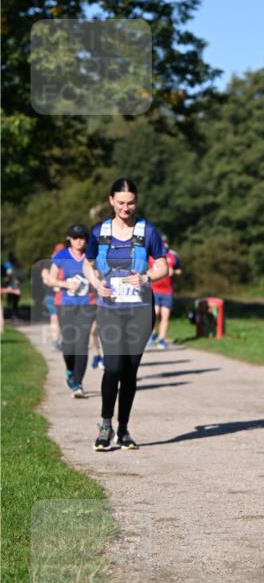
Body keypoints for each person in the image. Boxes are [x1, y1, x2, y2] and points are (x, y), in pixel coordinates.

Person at [83, 178, 168, 451]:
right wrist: (96, 284)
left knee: (130, 371)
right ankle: (105, 425)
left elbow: (163, 267)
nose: (126, 208)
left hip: (140, 311)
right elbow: (88, 263)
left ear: (136, 202)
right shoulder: (99, 232)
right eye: (121, 203)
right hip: (110, 309)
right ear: (111, 201)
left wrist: (146, 277)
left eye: (130, 203)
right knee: (114, 366)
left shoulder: (148, 231)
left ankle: (123, 429)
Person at [49, 226, 96, 397]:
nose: (78, 241)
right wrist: (65, 284)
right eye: (75, 237)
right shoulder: (61, 256)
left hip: (87, 304)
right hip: (65, 304)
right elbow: (50, 280)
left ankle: (78, 384)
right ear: (69, 239)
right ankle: (70, 371)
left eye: (82, 237)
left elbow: (99, 275)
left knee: (82, 344)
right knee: (68, 345)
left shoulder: (92, 255)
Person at [147, 234, 182, 350]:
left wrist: (174, 271)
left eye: (166, 242)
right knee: (155, 313)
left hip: (167, 291)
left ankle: (161, 339)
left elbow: (179, 270)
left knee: (165, 316)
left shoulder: (173, 256)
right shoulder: (151, 255)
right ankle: (153, 333)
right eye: (163, 242)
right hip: (154, 289)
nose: (165, 244)